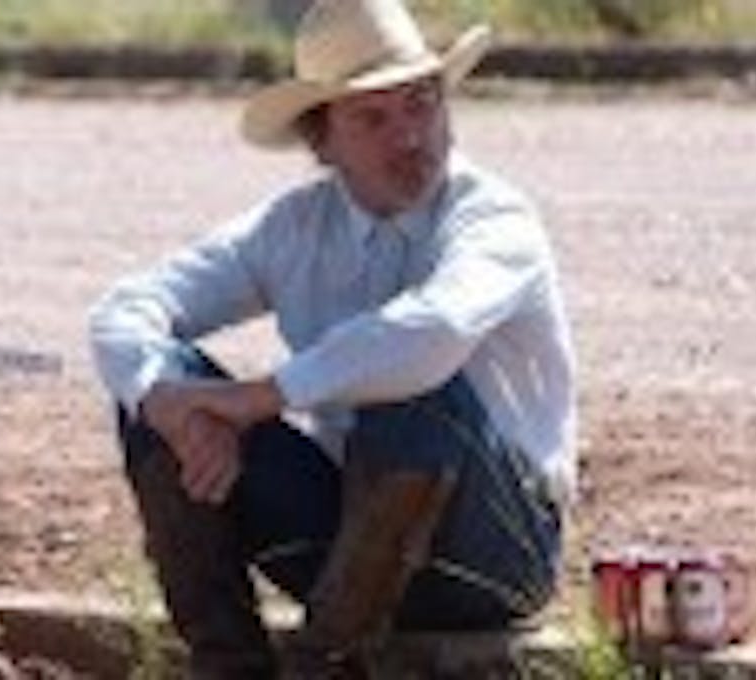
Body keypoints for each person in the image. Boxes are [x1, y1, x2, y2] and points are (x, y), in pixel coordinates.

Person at [89, 0, 576, 676]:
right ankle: (229, 665)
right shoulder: (295, 228)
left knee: (412, 391)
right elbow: (126, 309)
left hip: (492, 556)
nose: (410, 136)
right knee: (163, 392)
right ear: (322, 143)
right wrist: (164, 401)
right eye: (373, 118)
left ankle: (324, 667)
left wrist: (262, 397)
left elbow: (429, 332)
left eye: (422, 103)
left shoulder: (493, 217)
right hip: (343, 542)